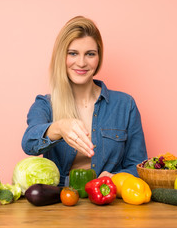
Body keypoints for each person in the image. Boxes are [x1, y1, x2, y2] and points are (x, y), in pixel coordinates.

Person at [21, 16, 147, 186]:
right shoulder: (45, 105)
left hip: (107, 201)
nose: (81, 63)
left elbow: (138, 166)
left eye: (90, 54)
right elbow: (29, 143)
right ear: (61, 56)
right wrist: (59, 127)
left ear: (98, 57)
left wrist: (116, 178)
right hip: (61, 202)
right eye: (73, 53)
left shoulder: (125, 105)